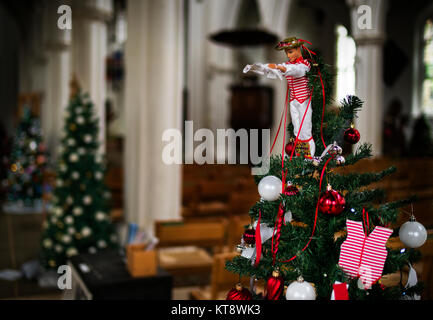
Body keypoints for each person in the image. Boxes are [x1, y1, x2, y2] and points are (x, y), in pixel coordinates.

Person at [243, 36, 315, 158]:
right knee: (297, 130)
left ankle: (309, 158)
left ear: (298, 49)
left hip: (304, 101)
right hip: (294, 101)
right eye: (286, 52)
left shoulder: (304, 65)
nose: (288, 55)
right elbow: (274, 70)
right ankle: (300, 157)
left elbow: (296, 71)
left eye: (290, 51)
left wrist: (279, 67)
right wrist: (258, 67)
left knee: (305, 130)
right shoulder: (287, 64)